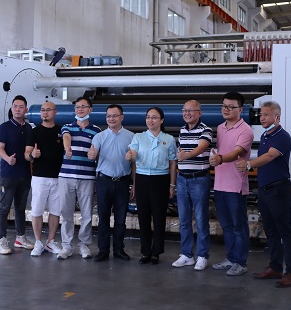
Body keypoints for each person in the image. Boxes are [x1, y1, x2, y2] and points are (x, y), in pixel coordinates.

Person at [236, 101, 291, 288]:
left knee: (285, 231)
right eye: (260, 114)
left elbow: (270, 156)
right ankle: (275, 267)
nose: (261, 118)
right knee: (270, 231)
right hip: (265, 190)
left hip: (278, 190)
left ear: (277, 117)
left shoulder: (282, 137)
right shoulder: (265, 135)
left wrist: (249, 165)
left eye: (265, 115)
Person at [208, 92, 254, 276]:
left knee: (238, 227)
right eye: (224, 106)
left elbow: (236, 153)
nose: (226, 109)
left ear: (240, 110)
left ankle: (241, 262)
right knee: (226, 226)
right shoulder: (220, 128)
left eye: (231, 107)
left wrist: (220, 158)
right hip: (220, 184)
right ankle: (231, 258)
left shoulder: (246, 130)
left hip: (236, 186)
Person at [126, 107, 177, 265]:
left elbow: (172, 163)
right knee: (143, 216)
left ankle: (157, 252)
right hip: (142, 179)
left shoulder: (169, 139)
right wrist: (130, 156)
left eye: (154, 117)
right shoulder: (138, 137)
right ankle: (145, 251)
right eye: (148, 117)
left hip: (161, 179)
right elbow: (134, 156)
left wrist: (172, 185)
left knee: (159, 217)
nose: (150, 120)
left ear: (161, 120)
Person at [88, 104, 135, 262]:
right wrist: (91, 154)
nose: (111, 119)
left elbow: (134, 163)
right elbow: (92, 153)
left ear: (122, 117)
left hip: (123, 181)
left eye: (114, 116)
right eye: (108, 116)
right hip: (104, 181)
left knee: (121, 219)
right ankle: (103, 250)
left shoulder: (131, 136)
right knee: (103, 218)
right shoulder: (99, 136)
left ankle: (119, 249)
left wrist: (134, 184)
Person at [57, 97, 101, 260]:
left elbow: (96, 150)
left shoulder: (96, 131)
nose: (80, 109)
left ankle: (84, 244)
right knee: (66, 212)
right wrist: (67, 148)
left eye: (83, 106)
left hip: (87, 177)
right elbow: (66, 137)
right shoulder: (67, 126)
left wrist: (94, 154)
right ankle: (67, 246)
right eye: (77, 107)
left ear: (90, 109)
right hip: (66, 176)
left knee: (87, 213)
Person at [172, 100, 213, 271]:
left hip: (199, 179)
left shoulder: (206, 130)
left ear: (199, 113)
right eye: (185, 110)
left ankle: (202, 255)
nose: (187, 113)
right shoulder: (182, 130)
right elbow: (180, 152)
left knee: (201, 219)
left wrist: (186, 156)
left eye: (191, 110)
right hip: (182, 179)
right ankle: (187, 255)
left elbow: (201, 147)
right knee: (184, 219)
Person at [0, 95, 34, 254]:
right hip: (8, 175)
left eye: (21, 106)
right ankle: (1, 240)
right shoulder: (4, 127)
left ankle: (20, 237)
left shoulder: (29, 128)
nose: (18, 109)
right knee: (4, 207)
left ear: (26, 109)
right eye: (15, 106)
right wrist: (7, 159)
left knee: (20, 207)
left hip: (25, 174)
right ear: (12, 109)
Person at [24, 101, 64, 257]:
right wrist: (32, 155)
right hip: (39, 177)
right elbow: (26, 154)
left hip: (58, 178)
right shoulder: (34, 132)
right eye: (42, 110)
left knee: (55, 211)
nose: (45, 112)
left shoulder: (61, 131)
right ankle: (38, 242)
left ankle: (51, 241)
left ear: (55, 112)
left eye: (48, 110)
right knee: (37, 210)